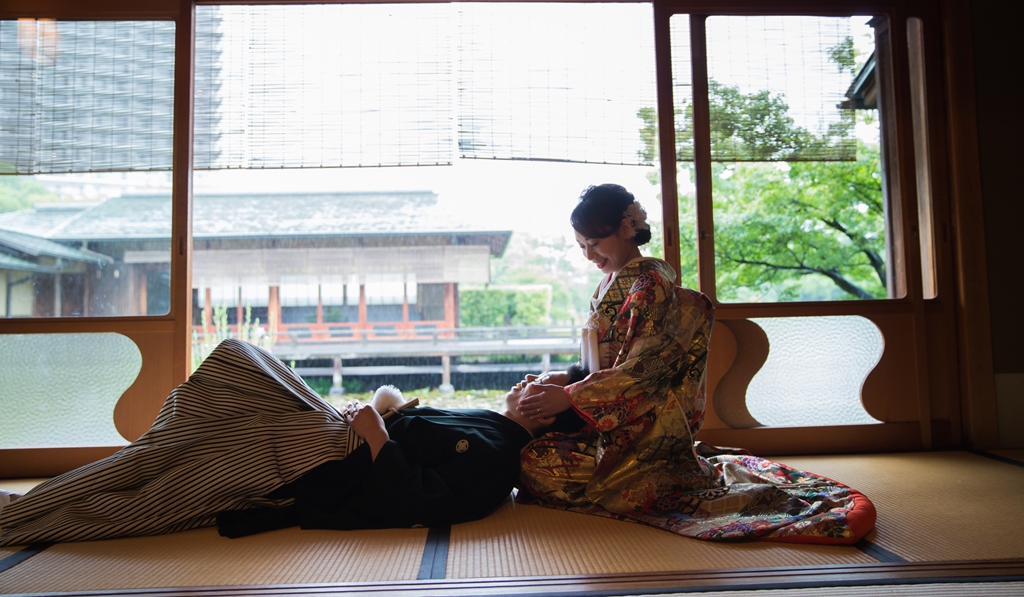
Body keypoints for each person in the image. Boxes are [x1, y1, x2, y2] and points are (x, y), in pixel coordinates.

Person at [516, 184, 875, 543]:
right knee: (529, 456)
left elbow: (647, 369)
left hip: (645, 422)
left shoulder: (649, 282)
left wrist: (571, 396)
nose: (589, 255)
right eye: (582, 246)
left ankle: (657, 477)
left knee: (536, 465)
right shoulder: (610, 282)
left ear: (626, 229)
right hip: (608, 414)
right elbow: (603, 357)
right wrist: (566, 379)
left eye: (595, 243)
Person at [0, 338, 574, 546]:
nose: (529, 381)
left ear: (549, 419)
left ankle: (27, 516)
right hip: (327, 435)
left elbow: (420, 501)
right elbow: (414, 436)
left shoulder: (498, 459)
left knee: (170, 473)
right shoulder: (489, 425)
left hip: (325, 461)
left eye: (541, 386)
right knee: (238, 364)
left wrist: (375, 433)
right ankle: (37, 507)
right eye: (536, 376)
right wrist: (382, 412)